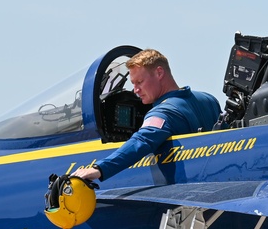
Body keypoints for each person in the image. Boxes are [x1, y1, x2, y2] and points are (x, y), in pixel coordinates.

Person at [72, 48, 221, 182]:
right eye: (133, 84)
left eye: (140, 82)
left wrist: (99, 169)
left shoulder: (163, 113)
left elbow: (141, 140)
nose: (135, 90)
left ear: (159, 73)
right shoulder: (209, 100)